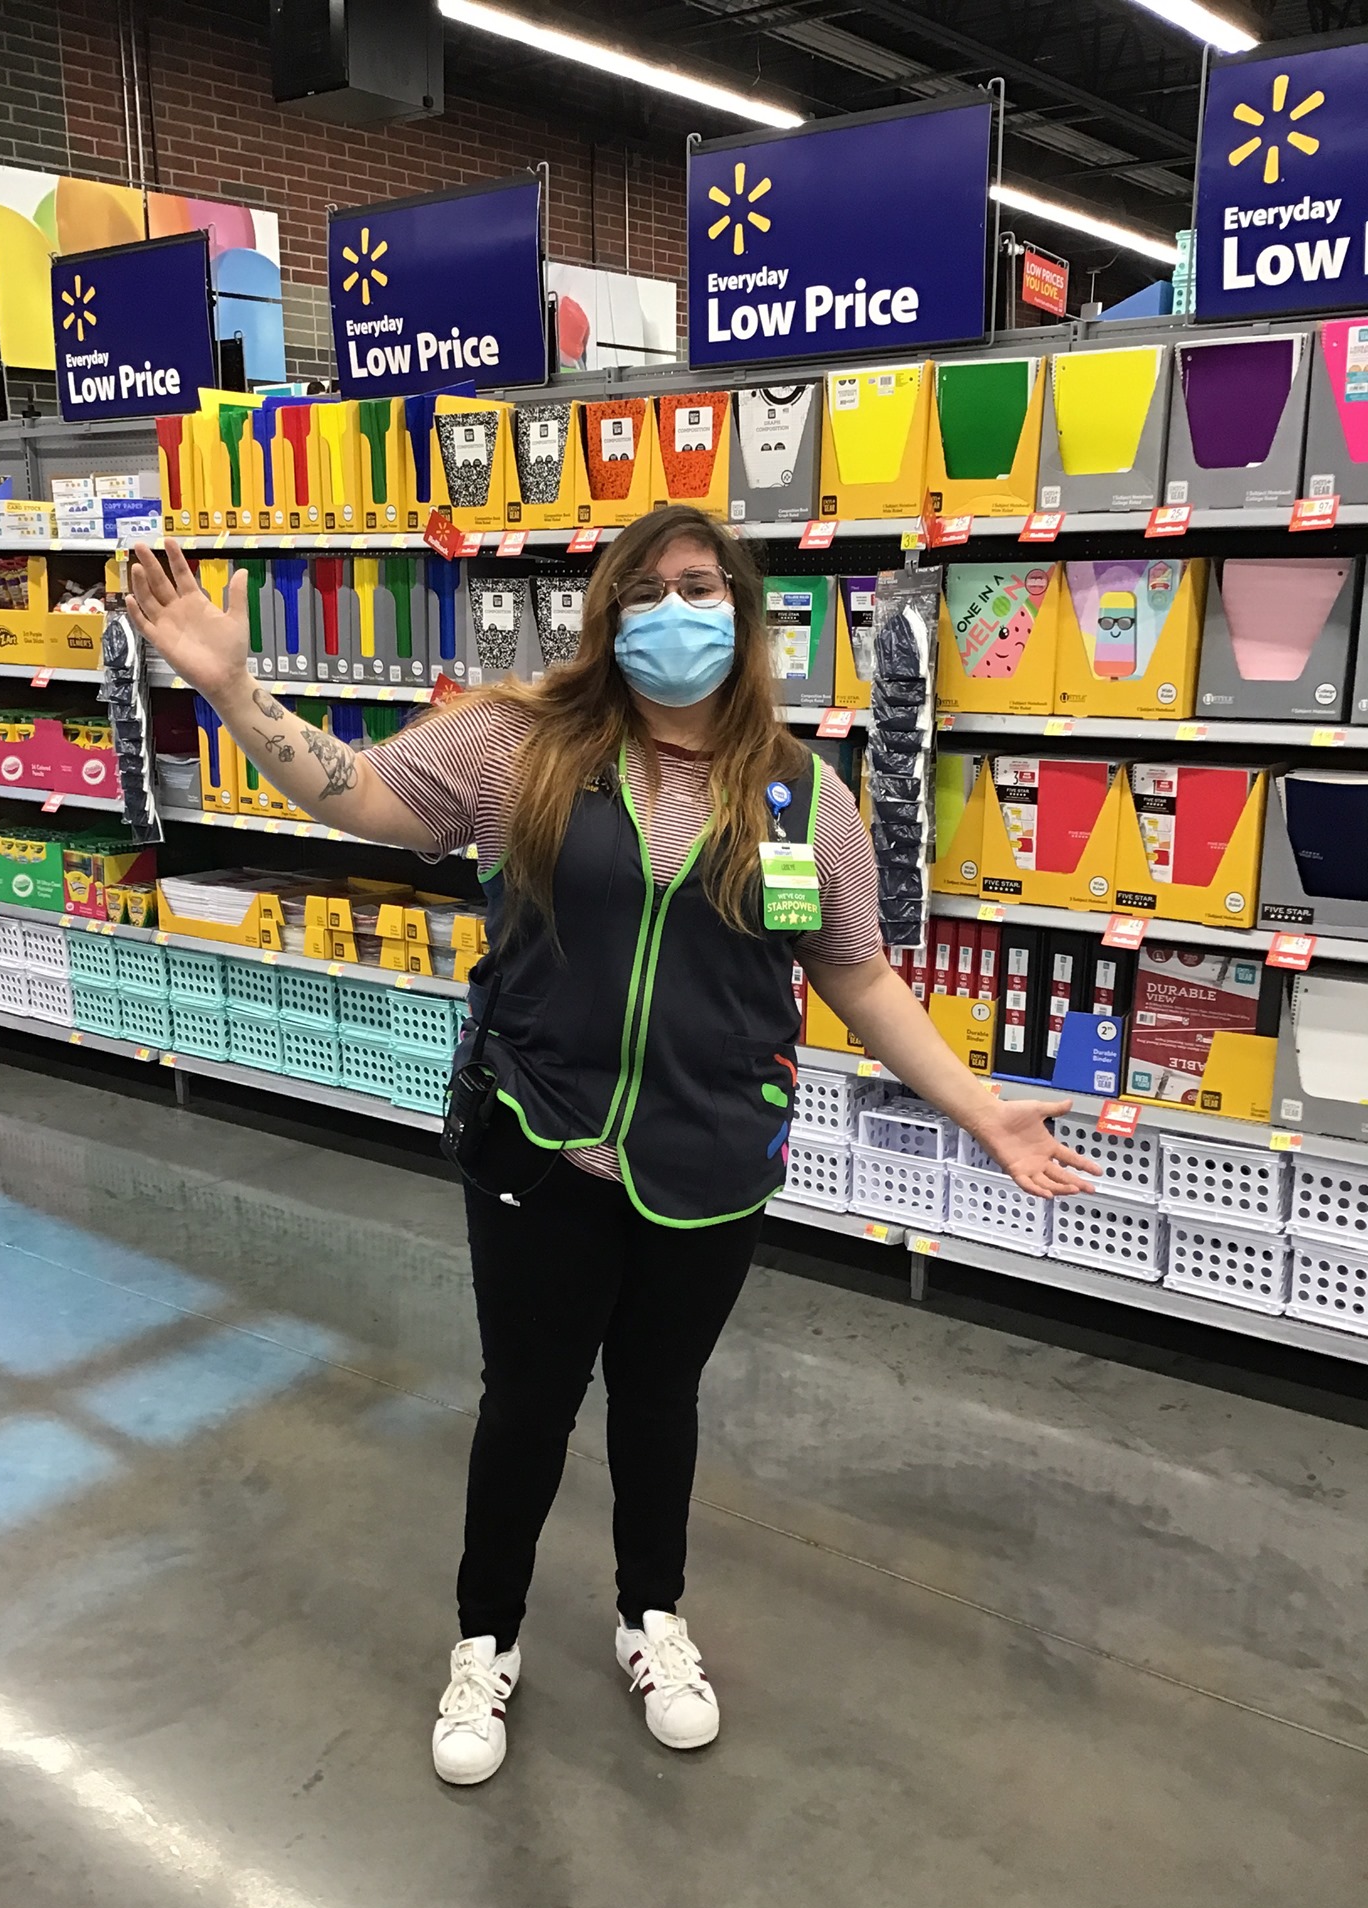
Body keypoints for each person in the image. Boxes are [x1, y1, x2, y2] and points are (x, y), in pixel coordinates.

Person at [129, 510, 1096, 1789]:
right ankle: (486, 1637)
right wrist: (233, 688)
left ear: (743, 611)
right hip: (541, 1140)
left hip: (711, 1156)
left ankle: (653, 1616)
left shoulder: (803, 795)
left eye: (698, 586)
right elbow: (357, 793)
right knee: (525, 1404)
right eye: (642, 590)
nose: (671, 610)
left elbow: (856, 970)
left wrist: (978, 1105)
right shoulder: (518, 743)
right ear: (604, 615)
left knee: (659, 1400)